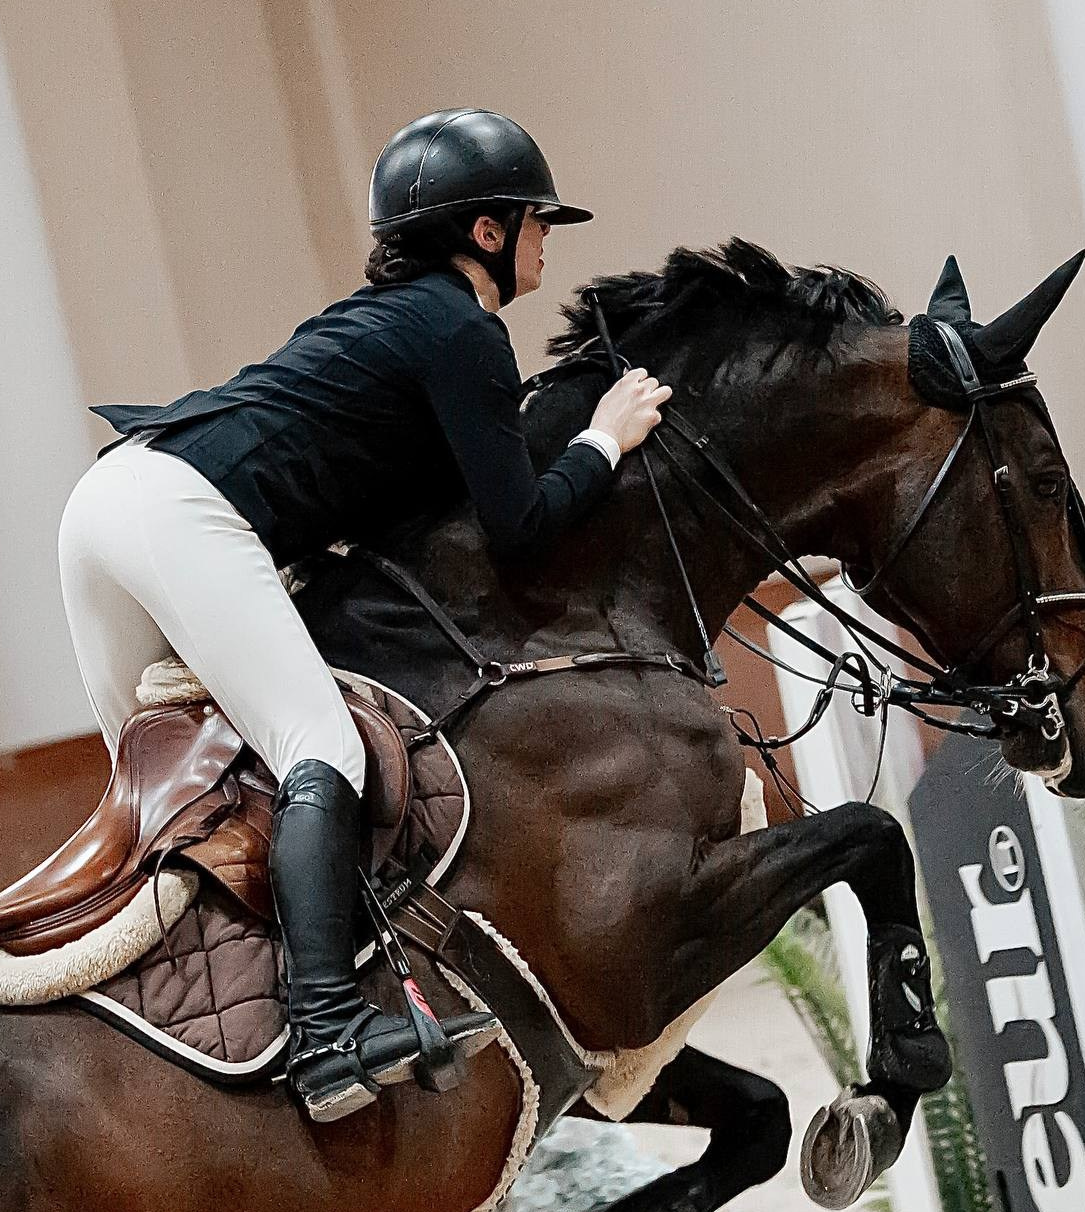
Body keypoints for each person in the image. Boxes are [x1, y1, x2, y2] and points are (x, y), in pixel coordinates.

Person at [62, 108, 671, 1123]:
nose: (546, 239)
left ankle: (183, 1049)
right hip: (179, 514)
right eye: (535, 221)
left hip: (103, 508)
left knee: (171, 798)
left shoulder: (393, 328)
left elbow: (414, 509)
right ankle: (327, 1031)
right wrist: (603, 441)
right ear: (487, 232)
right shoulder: (463, 330)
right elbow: (518, 527)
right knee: (322, 754)